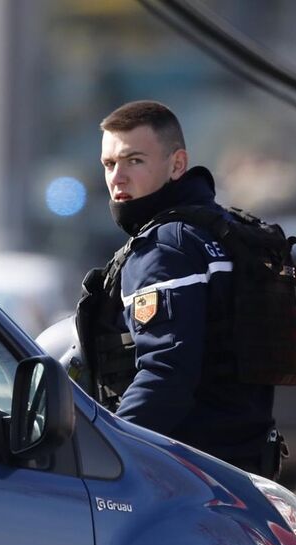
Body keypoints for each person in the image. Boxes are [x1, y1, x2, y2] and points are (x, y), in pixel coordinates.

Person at [85, 100, 281, 477]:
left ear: (176, 165)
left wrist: (108, 453)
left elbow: (164, 374)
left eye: (134, 160)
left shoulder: (164, 249)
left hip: (187, 475)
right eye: (109, 164)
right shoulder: (218, 231)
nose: (117, 178)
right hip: (243, 464)